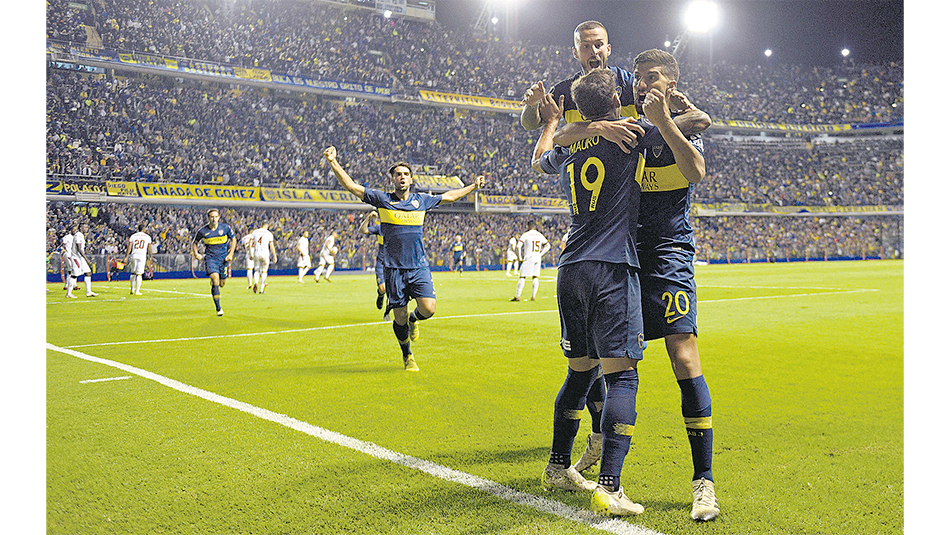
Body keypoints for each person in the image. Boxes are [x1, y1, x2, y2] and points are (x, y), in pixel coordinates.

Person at [553, 49, 717, 522]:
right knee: (603, 361)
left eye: (653, 79)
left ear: (670, 83)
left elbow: (697, 173)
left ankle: (702, 481)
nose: (643, 86)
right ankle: (601, 447)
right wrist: (596, 126)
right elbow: (559, 139)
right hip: (621, 256)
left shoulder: (677, 126)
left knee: (682, 355)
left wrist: (670, 120)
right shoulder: (625, 124)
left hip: (666, 254)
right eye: (639, 79)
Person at [532, 68, 664, 516]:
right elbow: (696, 125)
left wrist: (555, 123)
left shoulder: (570, 145)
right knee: (622, 375)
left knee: (580, 372)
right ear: (614, 101)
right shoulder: (628, 132)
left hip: (571, 269)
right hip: (611, 266)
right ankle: (609, 485)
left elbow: (537, 161)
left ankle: (556, 466)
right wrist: (668, 113)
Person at [323, 145, 486, 372]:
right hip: (393, 269)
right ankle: (407, 355)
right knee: (397, 318)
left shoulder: (421, 201)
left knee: (429, 309)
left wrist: (473, 187)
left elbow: (449, 196)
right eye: (398, 174)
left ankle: (414, 319)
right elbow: (351, 186)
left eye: (406, 174)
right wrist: (332, 161)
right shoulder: (382, 199)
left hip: (418, 267)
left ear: (411, 179)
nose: (402, 177)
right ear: (392, 179)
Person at [191, 208, 236, 316]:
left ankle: (216, 282)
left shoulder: (225, 228)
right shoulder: (203, 231)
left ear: (219, 217)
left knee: (222, 284)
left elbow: (234, 239)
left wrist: (230, 254)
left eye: (216, 217)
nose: (214, 219)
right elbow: (195, 242)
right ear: (208, 218)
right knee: (215, 279)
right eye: (212, 217)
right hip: (211, 258)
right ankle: (219, 308)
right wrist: (196, 253)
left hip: (223, 259)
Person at [359, 210, 391, 320]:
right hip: (382, 262)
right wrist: (368, 217)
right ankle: (380, 294)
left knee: (391, 290)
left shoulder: (398, 228)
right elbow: (362, 230)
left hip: (393, 263)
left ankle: (387, 313)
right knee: (383, 288)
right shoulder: (380, 228)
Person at [510, 221, 550, 301]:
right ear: (534, 227)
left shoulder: (526, 235)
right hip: (537, 257)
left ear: (528, 227)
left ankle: (518, 296)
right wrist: (541, 254)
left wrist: (520, 257)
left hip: (529, 257)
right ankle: (533, 296)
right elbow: (548, 246)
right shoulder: (539, 235)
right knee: (535, 276)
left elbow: (518, 246)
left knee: (522, 276)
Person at [122, 222, 153, 295]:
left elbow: (129, 247)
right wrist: (150, 256)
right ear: (143, 229)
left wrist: (126, 256)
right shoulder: (147, 237)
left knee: (133, 273)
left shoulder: (133, 236)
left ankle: (132, 289)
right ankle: (137, 291)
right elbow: (149, 247)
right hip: (142, 256)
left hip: (134, 255)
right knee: (139, 274)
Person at [69, 223, 98, 298]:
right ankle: (69, 293)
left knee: (88, 272)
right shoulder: (78, 235)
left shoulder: (81, 235)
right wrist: (86, 258)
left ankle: (89, 292)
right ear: (80, 227)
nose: (86, 228)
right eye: (84, 226)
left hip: (80, 257)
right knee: (74, 275)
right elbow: (79, 249)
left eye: (87, 226)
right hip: (76, 257)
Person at [250, 222, 277, 294]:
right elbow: (271, 245)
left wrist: (250, 253)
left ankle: (255, 282)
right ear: (267, 226)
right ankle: (261, 290)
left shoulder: (255, 232)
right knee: (264, 271)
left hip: (256, 253)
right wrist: (274, 255)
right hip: (265, 254)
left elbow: (250, 242)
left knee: (257, 270)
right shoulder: (269, 233)